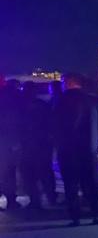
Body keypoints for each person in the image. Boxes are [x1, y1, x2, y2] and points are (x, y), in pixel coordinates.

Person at [54, 73, 98, 225]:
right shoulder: (92, 100)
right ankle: (96, 213)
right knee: (92, 182)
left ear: (69, 83)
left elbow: (53, 126)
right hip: (88, 148)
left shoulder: (60, 101)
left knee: (71, 183)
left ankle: (75, 215)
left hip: (67, 149)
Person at [20, 81, 57, 209]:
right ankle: (51, 197)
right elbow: (52, 123)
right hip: (43, 143)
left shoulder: (21, 107)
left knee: (29, 174)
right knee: (45, 171)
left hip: (27, 144)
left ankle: (35, 200)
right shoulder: (43, 105)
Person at [0, 77, 23, 210]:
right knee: (9, 171)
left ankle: (9, 198)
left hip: (5, 140)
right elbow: (16, 121)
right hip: (9, 141)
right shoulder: (14, 99)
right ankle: (11, 200)